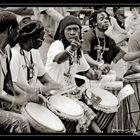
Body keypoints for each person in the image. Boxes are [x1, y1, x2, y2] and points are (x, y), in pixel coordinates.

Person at [45, 15, 105, 133]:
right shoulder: (57, 45)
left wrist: (97, 74)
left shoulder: (78, 50)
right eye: (69, 29)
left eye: (76, 29)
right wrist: (71, 49)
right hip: (57, 95)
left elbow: (88, 72)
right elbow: (58, 59)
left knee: (99, 103)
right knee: (85, 111)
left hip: (74, 92)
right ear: (62, 32)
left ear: (80, 31)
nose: (72, 32)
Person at [10, 17, 62, 111]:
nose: (43, 40)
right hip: (18, 103)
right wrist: (36, 90)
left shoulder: (34, 52)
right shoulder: (14, 55)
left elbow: (43, 76)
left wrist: (56, 85)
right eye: (41, 36)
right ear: (30, 37)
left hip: (31, 99)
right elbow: (11, 85)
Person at [82, 9, 140, 78]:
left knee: (121, 81)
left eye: (106, 18)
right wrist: (99, 64)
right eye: (102, 19)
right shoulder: (88, 36)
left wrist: (112, 63)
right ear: (95, 23)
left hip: (102, 76)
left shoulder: (109, 40)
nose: (106, 21)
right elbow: (84, 55)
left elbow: (125, 57)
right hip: (88, 76)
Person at [0, 11, 31, 133]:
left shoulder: (7, 50)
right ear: (10, 29)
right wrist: (14, 100)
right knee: (20, 121)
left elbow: (7, 83)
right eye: (17, 30)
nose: (18, 34)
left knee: (24, 111)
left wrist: (23, 95)